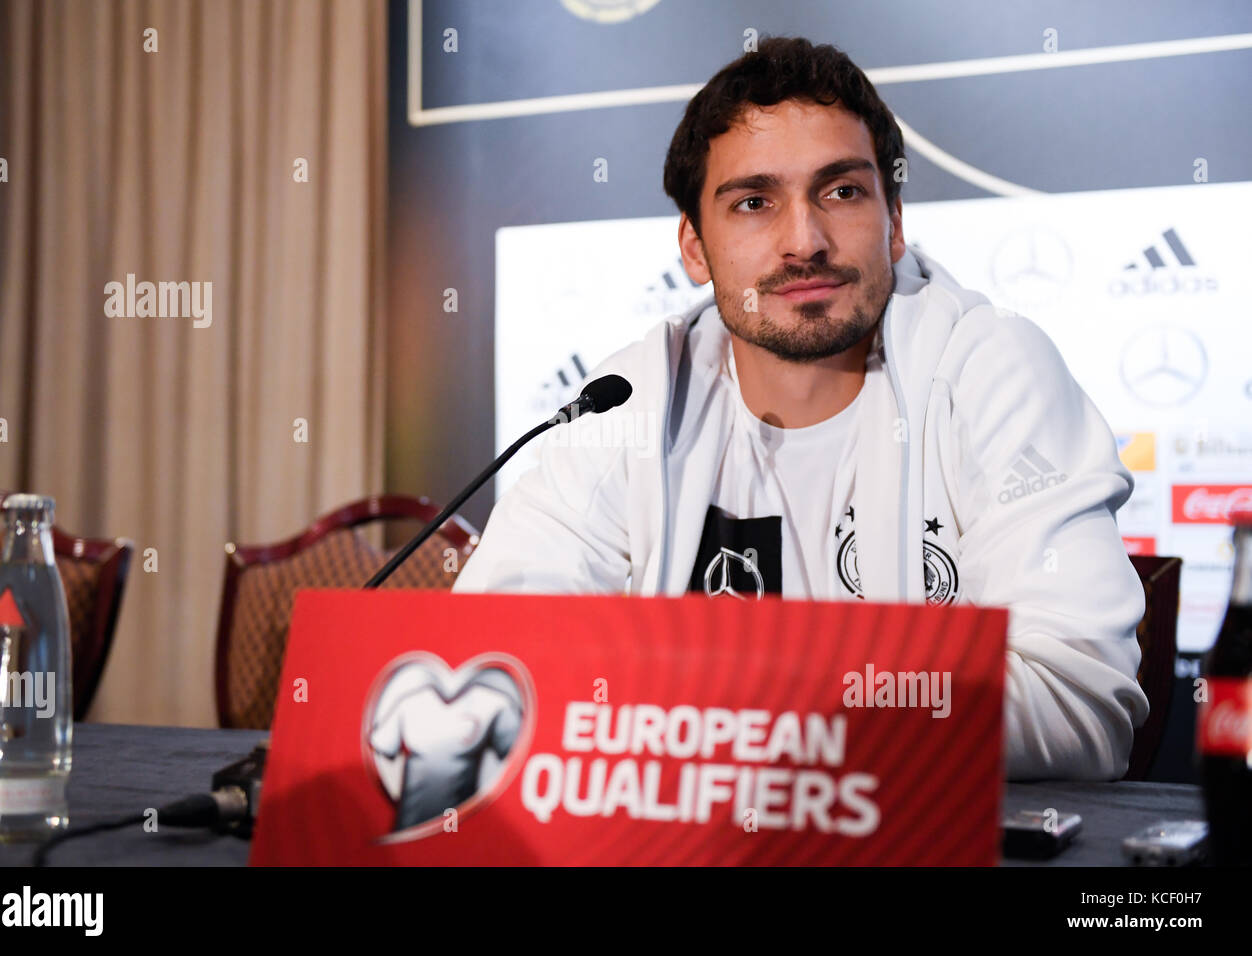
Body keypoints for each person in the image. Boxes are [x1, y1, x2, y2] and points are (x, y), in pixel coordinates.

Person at [454, 37, 1148, 781]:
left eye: (842, 191)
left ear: (895, 219)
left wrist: (742, 706)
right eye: (754, 202)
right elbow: (488, 665)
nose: (805, 242)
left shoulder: (990, 369)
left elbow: (1079, 703)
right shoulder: (630, 400)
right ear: (694, 247)